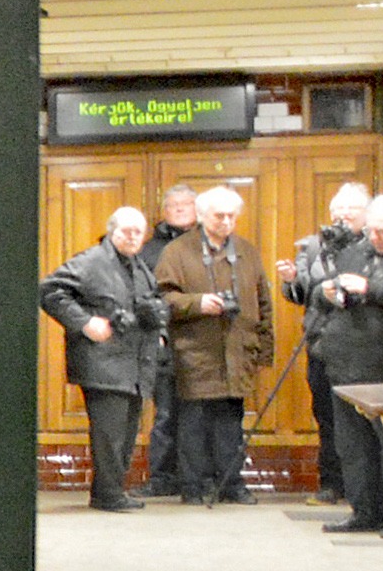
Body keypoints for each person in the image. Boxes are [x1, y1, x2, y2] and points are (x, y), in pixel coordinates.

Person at [151, 182, 273, 506]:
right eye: (220, 216)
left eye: (232, 216)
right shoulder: (177, 252)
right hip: (194, 353)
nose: (226, 222)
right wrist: (197, 303)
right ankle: (192, 486)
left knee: (231, 423)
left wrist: (264, 351)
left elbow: (263, 302)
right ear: (202, 216)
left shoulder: (246, 251)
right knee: (192, 424)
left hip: (237, 351)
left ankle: (231, 484)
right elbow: (161, 297)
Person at [40, 207, 168, 512]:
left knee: (126, 432)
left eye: (138, 232)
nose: (133, 237)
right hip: (103, 362)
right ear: (112, 232)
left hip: (135, 363)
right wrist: (85, 322)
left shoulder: (139, 266)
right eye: (126, 231)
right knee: (109, 434)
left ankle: (110, 491)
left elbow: (152, 304)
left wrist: (160, 331)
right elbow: (49, 290)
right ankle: (108, 495)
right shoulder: (91, 261)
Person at [315, 198, 383, 537]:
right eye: (370, 230)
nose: (373, 238)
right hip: (344, 363)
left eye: (381, 231)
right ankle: (364, 512)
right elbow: (322, 292)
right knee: (352, 447)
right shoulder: (357, 253)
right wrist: (326, 293)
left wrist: (370, 288)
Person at [286, 181, 373, 501]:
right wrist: (292, 281)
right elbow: (301, 294)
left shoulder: (373, 247)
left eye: (352, 208)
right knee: (326, 415)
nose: (343, 214)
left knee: (360, 420)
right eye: (338, 208)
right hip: (321, 341)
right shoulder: (314, 246)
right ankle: (332, 483)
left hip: (361, 344)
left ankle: (365, 488)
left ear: (367, 214)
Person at [142, 184, 203, 497]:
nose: (179, 208)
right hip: (163, 344)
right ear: (164, 211)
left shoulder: (211, 245)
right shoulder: (148, 250)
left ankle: (200, 479)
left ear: (198, 209)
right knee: (165, 414)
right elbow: (144, 296)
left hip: (203, 343)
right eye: (173, 204)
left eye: (186, 203)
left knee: (201, 414)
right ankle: (162, 478)